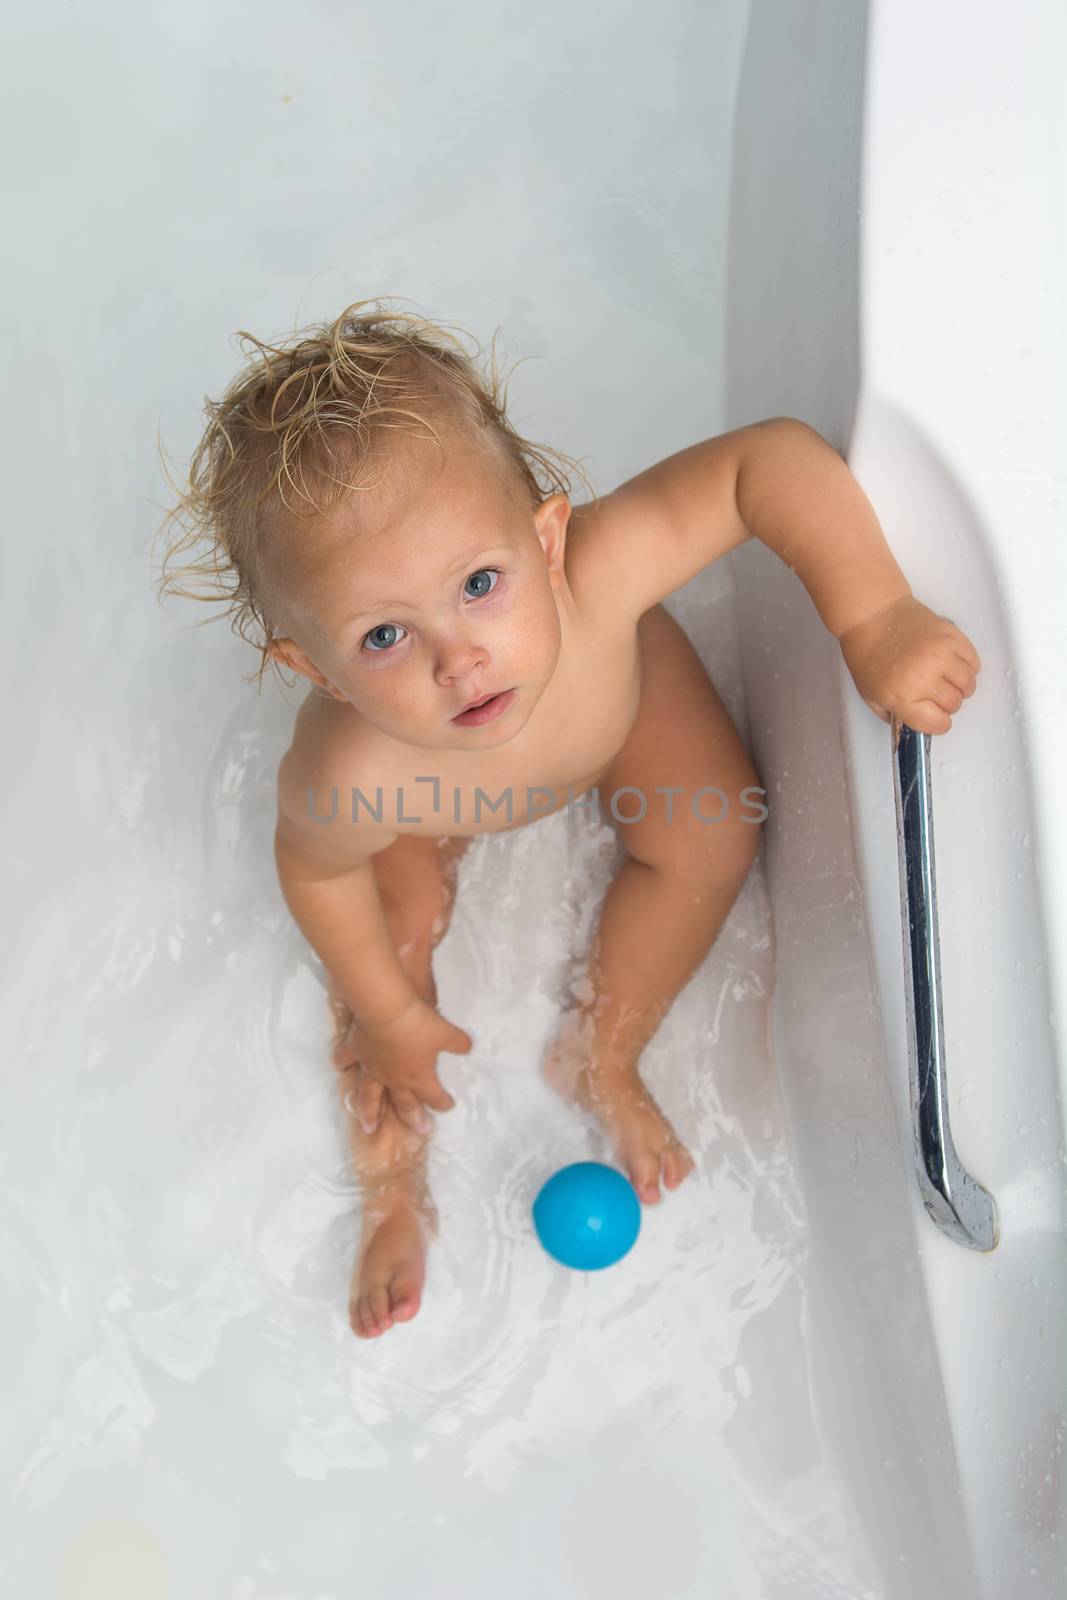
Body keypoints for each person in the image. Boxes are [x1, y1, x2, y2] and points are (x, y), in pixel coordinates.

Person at [153, 298, 981, 1340]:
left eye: (480, 583)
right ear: (309, 669)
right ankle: (395, 1187)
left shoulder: (596, 572)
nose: (458, 658)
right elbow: (315, 871)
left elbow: (761, 465)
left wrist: (872, 613)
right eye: (380, 638)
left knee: (713, 826)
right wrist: (390, 1009)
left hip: (616, 711)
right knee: (384, 949)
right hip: (435, 804)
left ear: (546, 539)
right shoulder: (353, 762)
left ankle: (604, 1049)